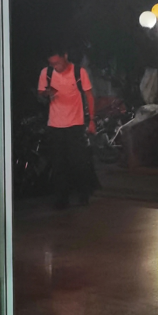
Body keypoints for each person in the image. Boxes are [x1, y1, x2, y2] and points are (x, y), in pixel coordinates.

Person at [37, 47, 96, 208]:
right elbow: (40, 92)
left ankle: (83, 194)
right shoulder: (46, 73)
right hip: (55, 124)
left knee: (78, 161)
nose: (56, 66)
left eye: (58, 62)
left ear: (65, 56)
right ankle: (61, 199)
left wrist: (92, 119)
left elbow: (89, 96)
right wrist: (46, 94)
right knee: (58, 163)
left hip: (75, 124)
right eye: (52, 64)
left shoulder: (79, 72)